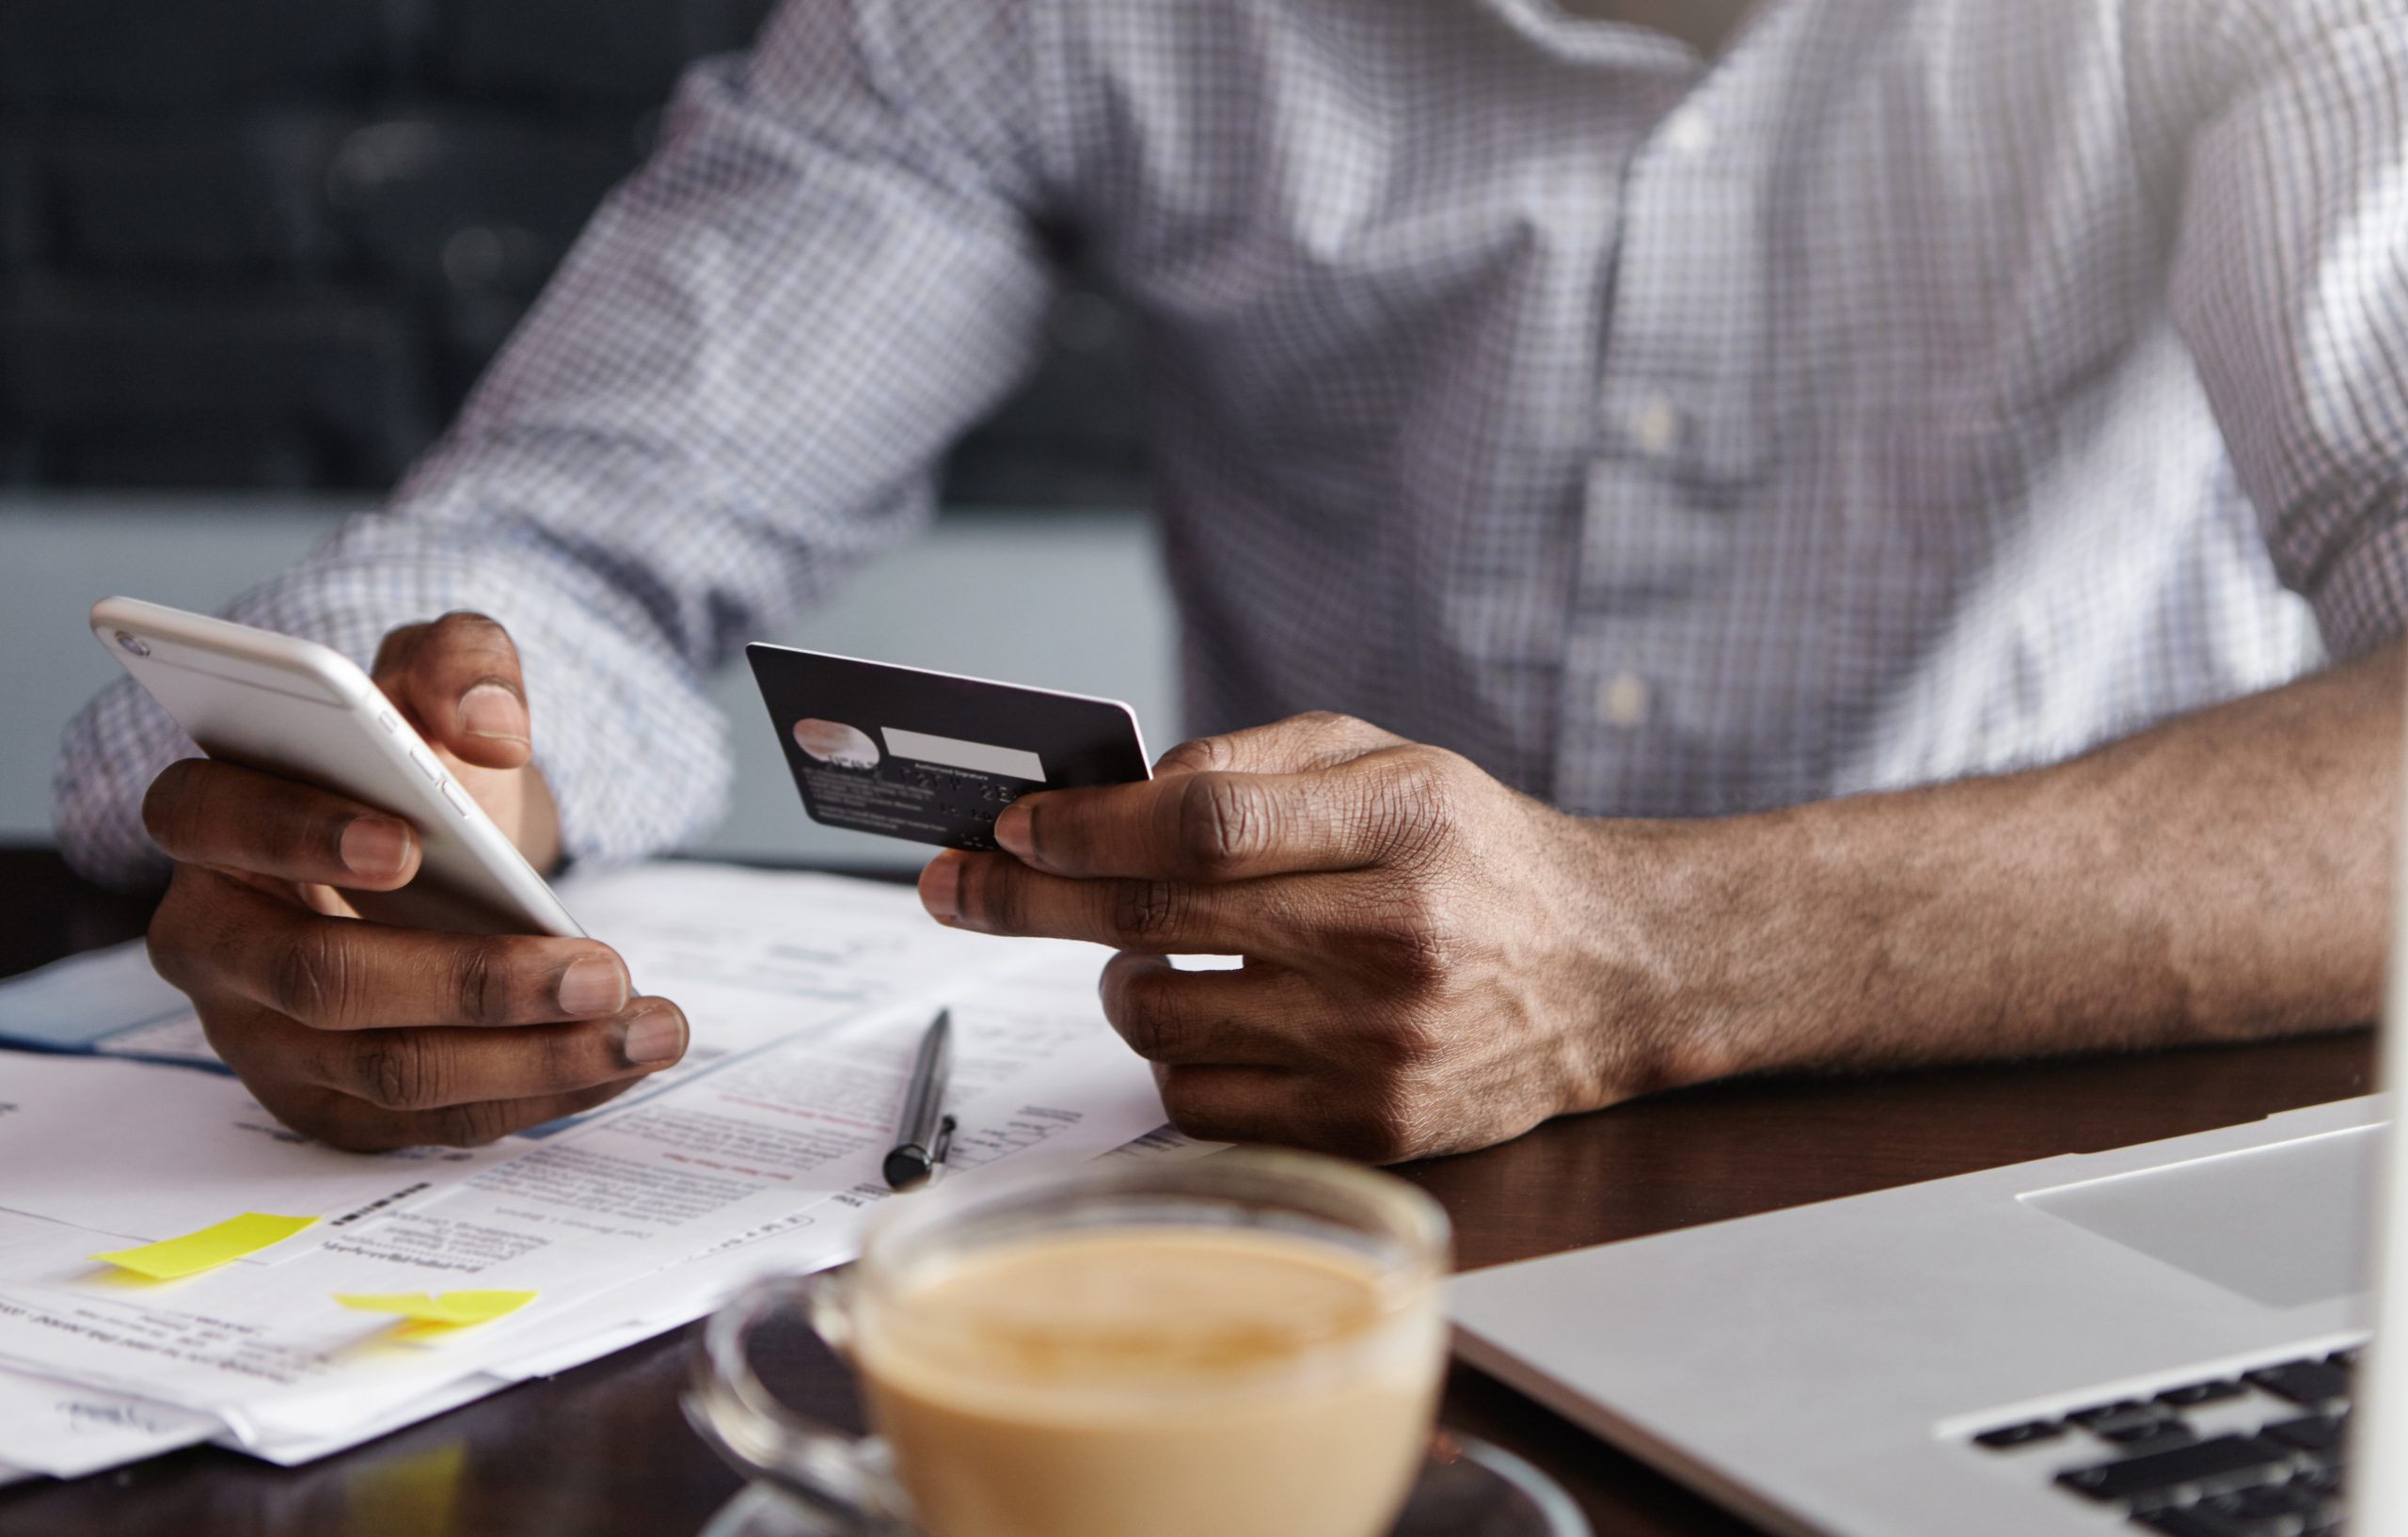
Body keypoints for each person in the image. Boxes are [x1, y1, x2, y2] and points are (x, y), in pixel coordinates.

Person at [54, 0, 2408, 1159]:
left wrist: (1650, 951)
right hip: (1288, 1187)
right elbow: (566, 537)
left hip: (2046, 1138)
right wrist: (427, 785)